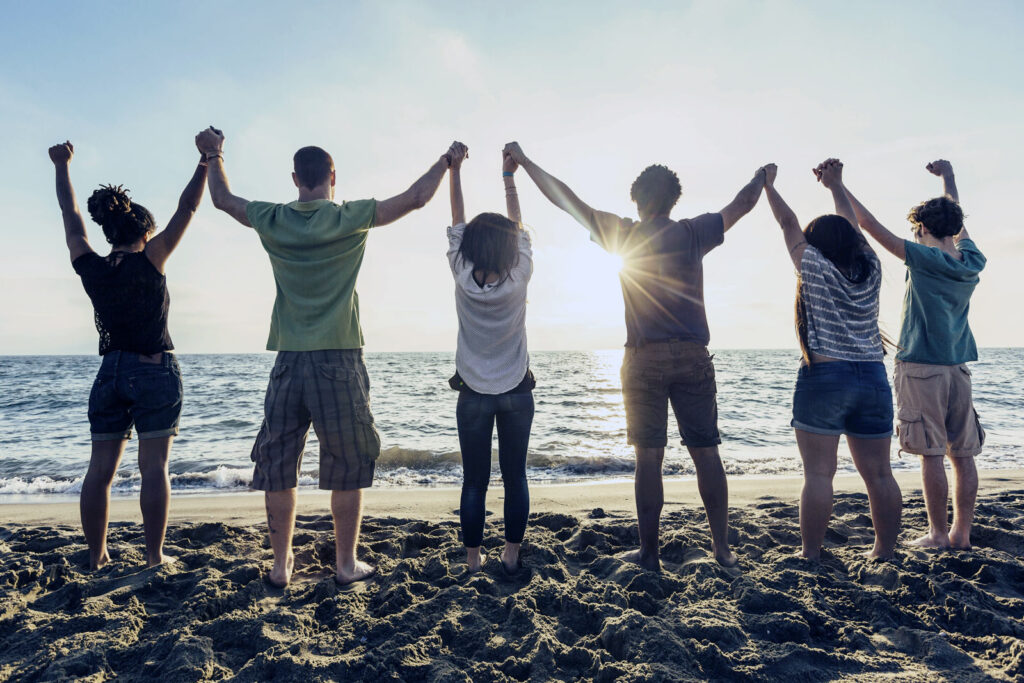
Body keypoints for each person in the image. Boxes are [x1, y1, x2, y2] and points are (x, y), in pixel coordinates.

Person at [195, 126, 459, 587]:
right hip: (339, 357)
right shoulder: (348, 217)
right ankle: (344, 563)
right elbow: (416, 198)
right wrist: (447, 161)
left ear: (296, 178)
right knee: (346, 462)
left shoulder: (273, 218)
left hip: (288, 360)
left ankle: (280, 566)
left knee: (279, 465)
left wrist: (214, 154)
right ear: (332, 175)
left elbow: (222, 199)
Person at [503, 142, 768, 570]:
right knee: (706, 451)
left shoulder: (624, 233)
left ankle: (649, 553)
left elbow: (564, 198)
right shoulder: (692, 231)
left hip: (643, 358)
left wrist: (525, 161)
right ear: (673, 199)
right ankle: (722, 550)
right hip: (693, 355)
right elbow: (744, 202)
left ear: (637, 200)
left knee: (649, 456)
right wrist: (762, 175)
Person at [48, 140, 208, 570]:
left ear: (109, 232)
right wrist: (206, 160)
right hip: (154, 369)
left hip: (109, 374)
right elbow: (188, 208)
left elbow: (71, 216)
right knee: (154, 468)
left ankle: (97, 556)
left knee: (99, 471)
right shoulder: (152, 258)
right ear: (144, 233)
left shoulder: (91, 265)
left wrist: (62, 166)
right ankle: (154, 556)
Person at [835, 159, 986, 550]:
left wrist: (836, 185)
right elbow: (954, 218)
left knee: (932, 454)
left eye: (916, 230)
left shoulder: (924, 257)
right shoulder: (971, 260)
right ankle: (961, 534)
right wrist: (948, 179)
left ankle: (937, 534)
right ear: (954, 227)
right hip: (958, 369)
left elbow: (867, 224)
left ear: (921, 229)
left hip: (921, 367)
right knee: (963, 454)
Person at [762, 159, 902, 560]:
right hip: (873, 378)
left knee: (820, 474)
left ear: (817, 244)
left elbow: (788, 224)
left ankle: (810, 555)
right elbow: (854, 230)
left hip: (825, 377)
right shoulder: (871, 268)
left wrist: (769, 185)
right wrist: (836, 185)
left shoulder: (814, 265)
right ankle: (884, 552)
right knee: (879, 475)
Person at [445, 144, 535, 574]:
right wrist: (508, 176)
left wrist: (454, 170)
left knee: (474, 481)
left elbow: (457, 221)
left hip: (473, 394)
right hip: (517, 388)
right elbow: (517, 225)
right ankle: (512, 554)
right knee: (515, 476)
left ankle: (473, 559)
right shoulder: (520, 275)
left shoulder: (462, 273)